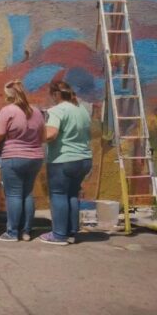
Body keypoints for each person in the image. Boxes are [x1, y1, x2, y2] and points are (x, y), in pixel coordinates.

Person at [0, 80, 45, 242]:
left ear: (8, 96)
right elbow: (42, 137)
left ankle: (12, 232)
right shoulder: (36, 111)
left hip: (13, 157)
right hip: (35, 158)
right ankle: (26, 231)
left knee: (13, 194)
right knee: (27, 194)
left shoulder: (8, 111)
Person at [40, 81, 92, 246]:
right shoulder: (81, 109)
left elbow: (51, 134)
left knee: (58, 195)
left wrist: (36, 136)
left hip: (63, 160)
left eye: (52, 95)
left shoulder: (56, 110)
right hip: (84, 159)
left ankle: (59, 235)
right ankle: (71, 231)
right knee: (72, 194)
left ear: (56, 94)